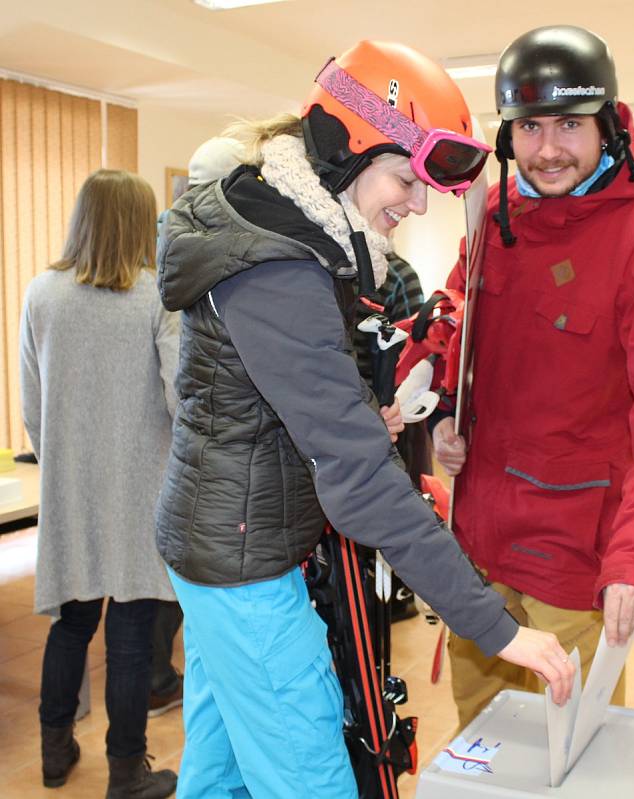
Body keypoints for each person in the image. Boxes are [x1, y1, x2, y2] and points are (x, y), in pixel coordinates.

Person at [155, 40, 575, 799]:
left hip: (228, 541)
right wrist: (497, 624)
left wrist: (351, 410)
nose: (417, 205)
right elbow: (357, 479)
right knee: (311, 777)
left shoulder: (292, 238)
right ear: (347, 149)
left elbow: (279, 404)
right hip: (242, 561)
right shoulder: (276, 264)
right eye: (406, 180)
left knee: (219, 775)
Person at [433, 25, 634, 728]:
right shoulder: (493, 221)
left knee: (569, 752)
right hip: (476, 549)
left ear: (608, 125)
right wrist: (444, 414)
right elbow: (452, 337)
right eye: (530, 125)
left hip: (573, 560)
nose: (549, 148)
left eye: (569, 124)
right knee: (481, 743)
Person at [19, 169, 179, 797]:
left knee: (71, 624)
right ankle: (124, 771)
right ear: (141, 224)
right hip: (141, 489)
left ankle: (54, 753)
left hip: (71, 489)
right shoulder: (156, 299)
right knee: (132, 638)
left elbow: (33, 407)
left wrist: (66, 453)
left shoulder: (41, 294)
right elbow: (178, 397)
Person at [148, 136, 246, 719]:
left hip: (192, 490)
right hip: (222, 505)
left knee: (211, 696)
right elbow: (184, 389)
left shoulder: (179, 269)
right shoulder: (241, 278)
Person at [353, 248, 430, 621]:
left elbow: (419, 351)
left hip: (388, 423)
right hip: (349, 431)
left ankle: (394, 598)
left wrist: (394, 405)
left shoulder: (399, 274)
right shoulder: (321, 267)